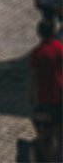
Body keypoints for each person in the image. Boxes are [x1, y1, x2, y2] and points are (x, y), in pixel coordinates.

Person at [29, 20, 63, 163]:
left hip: (44, 99)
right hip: (60, 97)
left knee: (44, 133)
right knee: (59, 131)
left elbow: (33, 78)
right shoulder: (60, 49)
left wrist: (33, 97)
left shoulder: (37, 53)